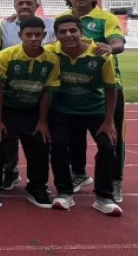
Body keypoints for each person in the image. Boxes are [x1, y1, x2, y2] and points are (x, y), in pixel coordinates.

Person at [57, 0, 127, 203]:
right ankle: (79, 173)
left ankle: (114, 180)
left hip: (106, 86)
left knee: (112, 136)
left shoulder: (105, 18)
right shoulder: (62, 18)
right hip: (71, 86)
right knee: (74, 135)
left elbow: (118, 43)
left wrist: (110, 47)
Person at [46, 15, 121, 216]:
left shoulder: (100, 55)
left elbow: (111, 89)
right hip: (62, 109)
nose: (68, 35)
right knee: (58, 145)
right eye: (63, 31)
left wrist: (109, 122)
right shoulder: (51, 52)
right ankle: (64, 192)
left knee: (107, 146)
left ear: (81, 32)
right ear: (56, 35)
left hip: (94, 109)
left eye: (73, 30)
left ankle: (104, 197)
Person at [0, 17, 59, 209]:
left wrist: (43, 121)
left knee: (40, 145)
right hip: (7, 109)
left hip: (32, 110)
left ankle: (37, 187)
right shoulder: (5, 56)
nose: (33, 38)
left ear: (44, 35)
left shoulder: (52, 60)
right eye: (28, 34)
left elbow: (47, 92)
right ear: (20, 35)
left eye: (38, 35)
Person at [0, 0, 56, 191]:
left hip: (38, 87)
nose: (24, 6)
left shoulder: (51, 24)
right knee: (7, 138)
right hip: (10, 88)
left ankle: (38, 183)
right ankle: (9, 173)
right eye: (20, 3)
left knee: (39, 138)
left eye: (29, 3)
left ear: (37, 6)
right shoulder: (3, 25)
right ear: (14, 6)